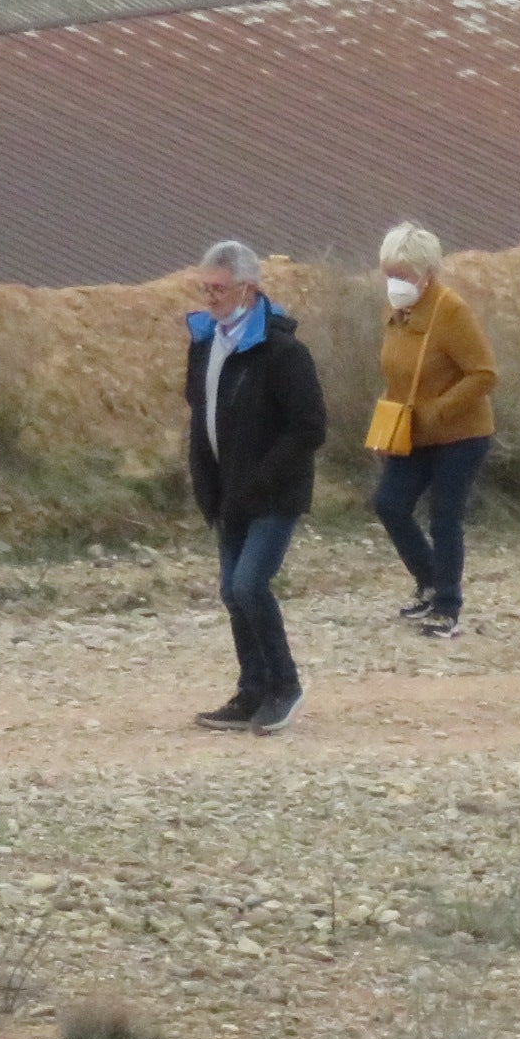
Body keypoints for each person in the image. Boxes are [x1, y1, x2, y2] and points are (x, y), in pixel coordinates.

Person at [181, 238, 325, 736]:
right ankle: (251, 692)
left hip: (273, 495)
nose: (210, 296)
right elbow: (199, 415)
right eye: (204, 287)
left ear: (249, 289)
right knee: (231, 590)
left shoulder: (283, 351)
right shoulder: (204, 343)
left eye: (218, 288)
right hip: (228, 496)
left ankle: (285, 687)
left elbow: (309, 428)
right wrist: (207, 483)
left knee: (249, 585)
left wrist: (260, 478)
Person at [364, 221, 496, 640]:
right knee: (389, 504)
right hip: (412, 432)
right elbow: (398, 374)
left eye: (402, 275)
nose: (394, 283)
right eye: (389, 274)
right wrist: (386, 427)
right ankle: (428, 580)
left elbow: (484, 374)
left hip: (461, 434)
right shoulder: (397, 312)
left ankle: (447, 605)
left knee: (445, 516)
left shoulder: (451, 311)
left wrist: (438, 411)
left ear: (428, 273)